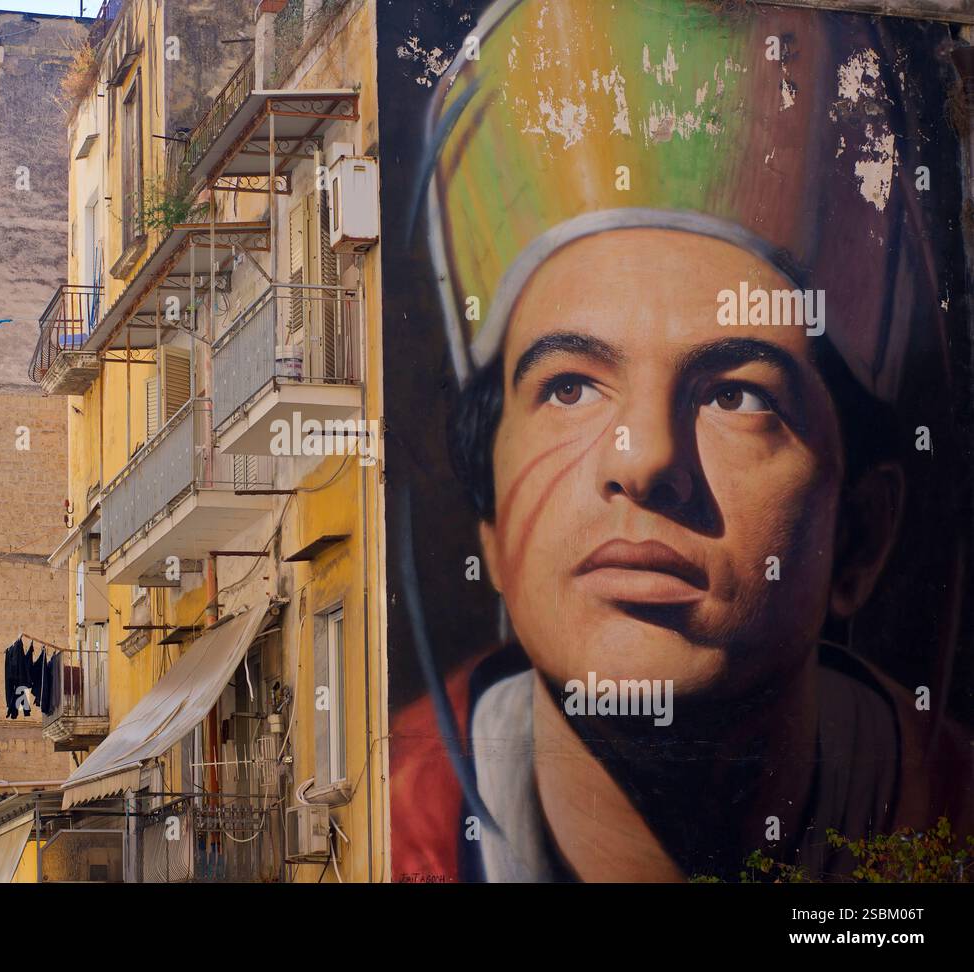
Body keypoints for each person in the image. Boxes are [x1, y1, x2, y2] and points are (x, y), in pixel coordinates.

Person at [391, 0, 974, 882]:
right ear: (491, 529)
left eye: (737, 395)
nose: (644, 458)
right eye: (571, 387)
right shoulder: (392, 820)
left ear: (860, 532)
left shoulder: (949, 813)